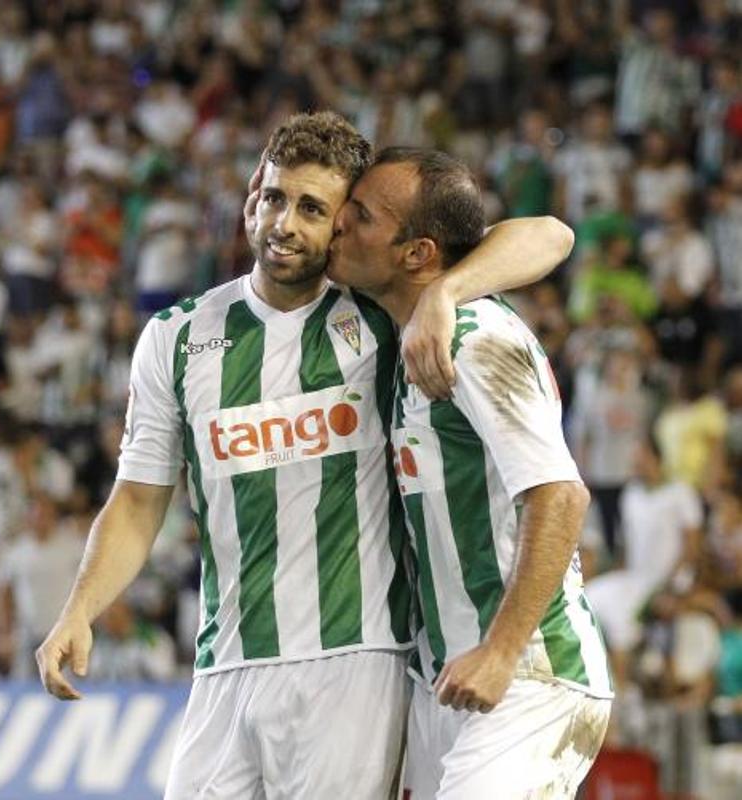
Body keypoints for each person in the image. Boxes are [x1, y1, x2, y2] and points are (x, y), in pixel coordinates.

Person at [36, 111, 574, 798]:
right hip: (225, 661)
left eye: (313, 209)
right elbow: (139, 498)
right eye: (275, 198)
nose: (285, 224)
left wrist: (447, 290)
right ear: (252, 195)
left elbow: (549, 235)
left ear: (343, 224)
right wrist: (80, 609)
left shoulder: (380, 313)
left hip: (355, 663)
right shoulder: (176, 338)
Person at [328, 146, 612, 798]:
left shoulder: (473, 337)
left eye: (363, 215)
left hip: (526, 673)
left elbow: (561, 495)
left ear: (417, 253)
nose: (341, 223)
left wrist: (504, 652)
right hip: (446, 682)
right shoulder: (399, 330)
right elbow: (541, 235)